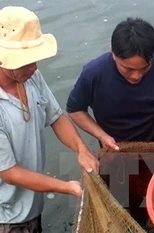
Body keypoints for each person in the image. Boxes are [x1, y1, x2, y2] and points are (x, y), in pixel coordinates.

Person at [66, 17, 154, 226]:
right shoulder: (94, 74)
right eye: (128, 69)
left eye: (144, 68)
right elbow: (75, 110)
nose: (136, 76)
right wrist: (101, 135)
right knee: (127, 213)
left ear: (152, 57)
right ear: (113, 53)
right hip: (116, 155)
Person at [0, 6, 99, 233]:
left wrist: (81, 149)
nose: (35, 67)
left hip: (31, 203)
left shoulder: (30, 75)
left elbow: (56, 117)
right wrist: (67, 187)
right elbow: (9, 173)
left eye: (35, 59)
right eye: (26, 61)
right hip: (7, 216)